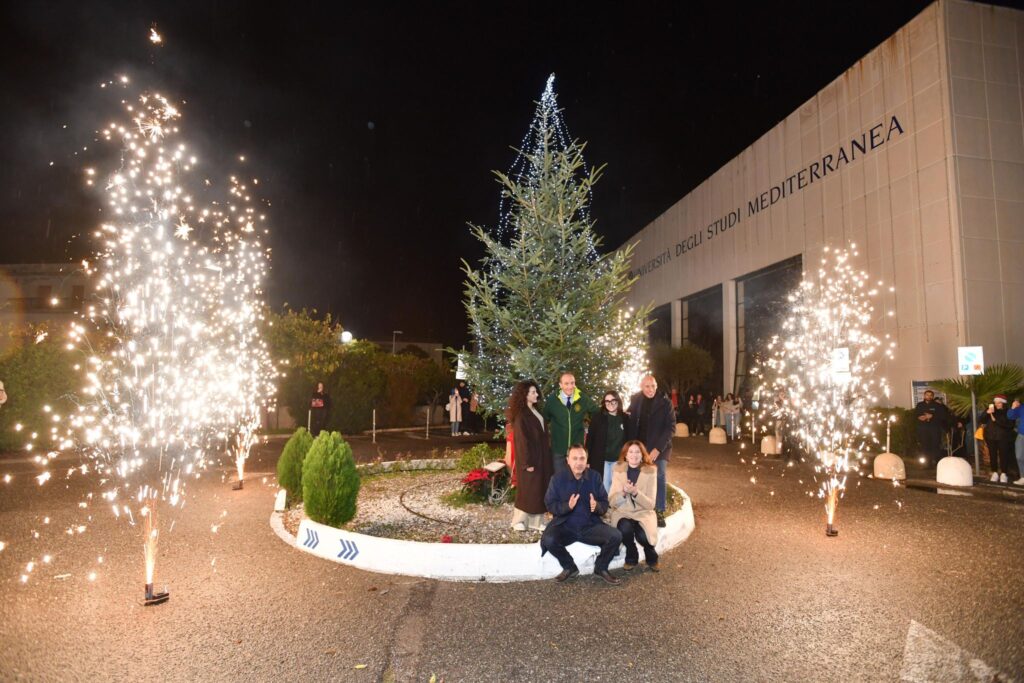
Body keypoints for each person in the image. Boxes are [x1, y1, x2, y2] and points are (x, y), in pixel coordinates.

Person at [541, 445, 622, 585]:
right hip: (565, 526)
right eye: (575, 458)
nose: (579, 462)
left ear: (586, 460)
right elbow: (550, 504)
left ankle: (601, 567)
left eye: (582, 458)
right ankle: (569, 567)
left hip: (590, 526)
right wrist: (567, 506)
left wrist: (596, 506)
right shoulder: (557, 479)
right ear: (568, 460)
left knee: (616, 536)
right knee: (548, 539)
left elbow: (604, 503)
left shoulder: (594, 477)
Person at [625, 375, 675, 528]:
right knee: (638, 476)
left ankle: (659, 511)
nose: (651, 389)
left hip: (659, 447)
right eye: (647, 386)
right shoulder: (635, 400)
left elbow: (670, 427)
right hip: (639, 447)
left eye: (653, 386)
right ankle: (639, 508)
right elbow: (630, 420)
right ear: (641, 386)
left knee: (659, 475)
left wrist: (657, 449)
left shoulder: (665, 403)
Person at [505, 380, 553, 531]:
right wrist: (526, 462)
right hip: (530, 459)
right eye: (533, 392)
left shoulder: (536, 411)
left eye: (536, 391)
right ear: (525, 395)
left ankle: (537, 522)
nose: (536, 394)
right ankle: (518, 520)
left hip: (542, 457)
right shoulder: (521, 415)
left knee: (539, 488)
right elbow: (522, 441)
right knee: (527, 489)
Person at [607, 440, 659, 572]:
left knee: (643, 536)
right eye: (630, 451)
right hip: (623, 512)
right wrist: (623, 493)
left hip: (643, 512)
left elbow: (651, 504)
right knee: (624, 528)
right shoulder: (618, 470)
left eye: (637, 452)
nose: (634, 455)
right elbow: (612, 501)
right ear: (625, 455)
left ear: (642, 455)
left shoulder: (650, 471)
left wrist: (636, 492)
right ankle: (631, 555)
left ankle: (651, 556)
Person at [542, 372, 598, 474]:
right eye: (566, 383)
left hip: (576, 450)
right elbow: (544, 419)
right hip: (558, 450)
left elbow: (596, 412)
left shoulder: (582, 398)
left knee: (577, 478)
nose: (570, 386)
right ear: (560, 385)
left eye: (572, 383)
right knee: (560, 479)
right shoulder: (552, 400)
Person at [586, 390, 627, 492]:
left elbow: (630, 440)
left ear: (618, 401)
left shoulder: (625, 418)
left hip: (618, 460)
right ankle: (604, 507)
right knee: (604, 487)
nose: (610, 404)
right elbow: (590, 439)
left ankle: (614, 507)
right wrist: (587, 460)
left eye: (613, 400)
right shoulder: (597, 418)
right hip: (601, 460)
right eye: (607, 401)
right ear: (604, 403)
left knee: (616, 488)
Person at [981, 395, 1017, 483]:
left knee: (1003, 455)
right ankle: (995, 472)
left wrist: (995, 419)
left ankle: (1004, 473)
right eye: (996, 402)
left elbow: (1010, 425)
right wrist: (987, 413)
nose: (997, 404)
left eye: (999, 403)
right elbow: (982, 420)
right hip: (990, 436)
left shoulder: (1008, 411)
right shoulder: (991, 409)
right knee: (992, 455)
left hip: (1003, 437)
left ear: (1003, 403)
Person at [915, 390, 950, 466]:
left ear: (933, 396)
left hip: (934, 429)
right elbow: (916, 414)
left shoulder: (937, 405)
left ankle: (936, 462)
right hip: (923, 429)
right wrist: (920, 417)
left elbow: (943, 416)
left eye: (931, 395)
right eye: (927, 395)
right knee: (925, 445)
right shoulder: (919, 405)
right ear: (924, 396)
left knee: (935, 445)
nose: (929, 396)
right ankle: (926, 463)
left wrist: (932, 416)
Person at [1008, 399, 1024, 486]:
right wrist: (1013, 407)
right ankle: (1023, 477)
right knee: (1019, 456)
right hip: (1021, 435)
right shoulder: (1021, 407)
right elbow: (1010, 416)